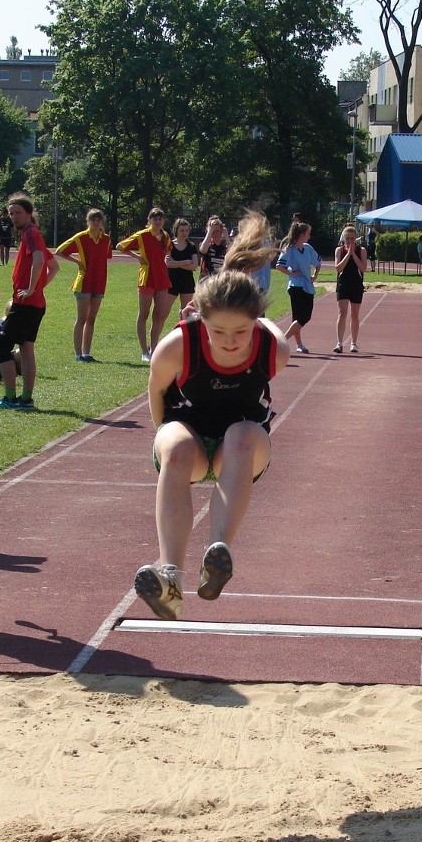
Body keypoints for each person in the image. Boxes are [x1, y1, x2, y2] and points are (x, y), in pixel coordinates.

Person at [133, 214, 289, 621]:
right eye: (219, 333)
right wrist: (165, 442)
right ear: (200, 321)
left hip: (242, 448)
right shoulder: (177, 347)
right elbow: (155, 392)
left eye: (241, 332)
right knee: (177, 444)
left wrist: (263, 326)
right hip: (190, 436)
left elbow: (267, 331)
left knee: (239, 434)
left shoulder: (273, 349)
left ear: (256, 324)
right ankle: (169, 577)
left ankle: (216, 556)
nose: (230, 342)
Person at [0, 193, 58, 411]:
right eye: (10, 213)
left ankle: (10, 398)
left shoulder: (31, 234)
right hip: (34, 303)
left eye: (18, 212)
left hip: (25, 304)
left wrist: (31, 287)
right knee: (26, 350)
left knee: (2, 348)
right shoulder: (32, 235)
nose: (14, 217)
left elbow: (40, 260)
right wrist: (37, 288)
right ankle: (26, 400)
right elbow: (54, 266)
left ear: (29, 213)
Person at [56, 208, 113, 362]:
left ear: (102, 222)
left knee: (91, 319)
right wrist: (78, 262)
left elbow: (106, 257)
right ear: (88, 221)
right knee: (81, 318)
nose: (96, 222)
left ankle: (87, 353)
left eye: (98, 219)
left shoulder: (106, 239)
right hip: (84, 282)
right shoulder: (81, 237)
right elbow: (60, 251)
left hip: (99, 282)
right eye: (93, 219)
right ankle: (78, 354)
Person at [117, 207, 173, 363]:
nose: (158, 221)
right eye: (155, 218)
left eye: (160, 218)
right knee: (144, 314)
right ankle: (144, 351)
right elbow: (121, 246)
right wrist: (138, 257)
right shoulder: (142, 235)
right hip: (146, 277)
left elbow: (167, 251)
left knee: (160, 315)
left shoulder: (165, 236)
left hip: (161, 277)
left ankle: (154, 349)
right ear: (149, 220)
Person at [276, 221, 321, 354]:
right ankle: (283, 341)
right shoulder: (289, 249)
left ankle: (299, 345)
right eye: (308, 233)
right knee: (303, 317)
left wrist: (315, 275)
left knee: (300, 318)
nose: (309, 236)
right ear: (301, 234)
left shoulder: (307, 248)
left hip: (307, 285)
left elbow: (318, 262)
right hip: (295, 286)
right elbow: (279, 265)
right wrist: (292, 273)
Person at [332, 225, 367, 354]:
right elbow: (338, 268)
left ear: (356, 239)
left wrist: (353, 254)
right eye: (347, 238)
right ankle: (339, 343)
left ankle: (354, 343)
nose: (350, 241)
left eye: (352, 238)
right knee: (342, 313)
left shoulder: (361, 250)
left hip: (356, 285)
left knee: (354, 314)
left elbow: (363, 268)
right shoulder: (339, 250)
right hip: (343, 285)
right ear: (343, 238)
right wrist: (347, 254)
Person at [165, 218, 199, 318]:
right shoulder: (170, 245)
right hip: (171, 281)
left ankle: (182, 331)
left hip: (187, 282)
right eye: (182, 230)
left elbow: (194, 266)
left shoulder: (191, 246)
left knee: (185, 311)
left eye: (186, 230)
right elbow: (168, 264)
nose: (184, 233)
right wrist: (185, 262)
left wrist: (175, 263)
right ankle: (156, 334)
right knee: (163, 312)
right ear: (176, 230)